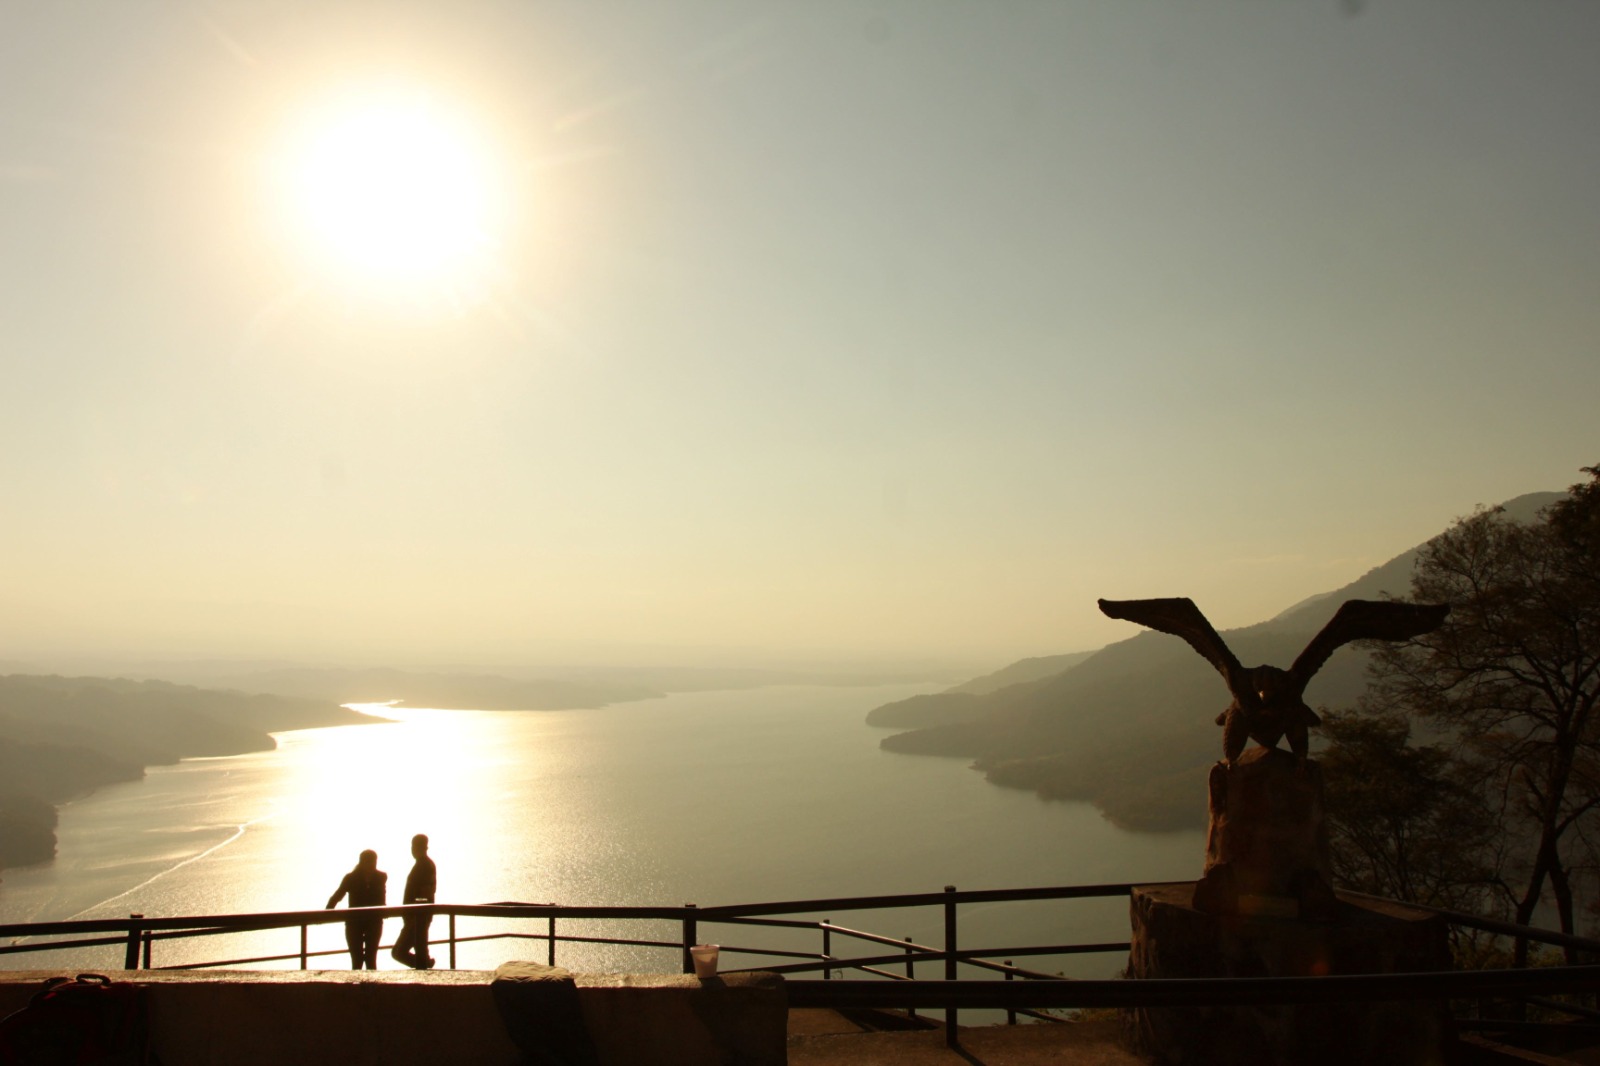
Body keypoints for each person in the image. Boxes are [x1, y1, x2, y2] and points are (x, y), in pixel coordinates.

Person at [325, 849, 387, 969]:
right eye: (369, 862)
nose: (371, 865)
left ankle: (370, 985)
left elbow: (337, 896)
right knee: (357, 959)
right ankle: (363, 985)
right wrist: (328, 911)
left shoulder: (380, 877)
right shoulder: (351, 878)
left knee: (371, 958)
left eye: (373, 862)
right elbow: (337, 896)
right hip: (356, 923)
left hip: (372, 922)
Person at [391, 833, 437, 969]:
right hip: (419, 915)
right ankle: (424, 966)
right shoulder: (424, 865)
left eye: (414, 846)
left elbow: (424, 893)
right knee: (421, 949)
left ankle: (424, 965)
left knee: (398, 952)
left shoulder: (423, 866)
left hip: (417, 916)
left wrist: (415, 911)